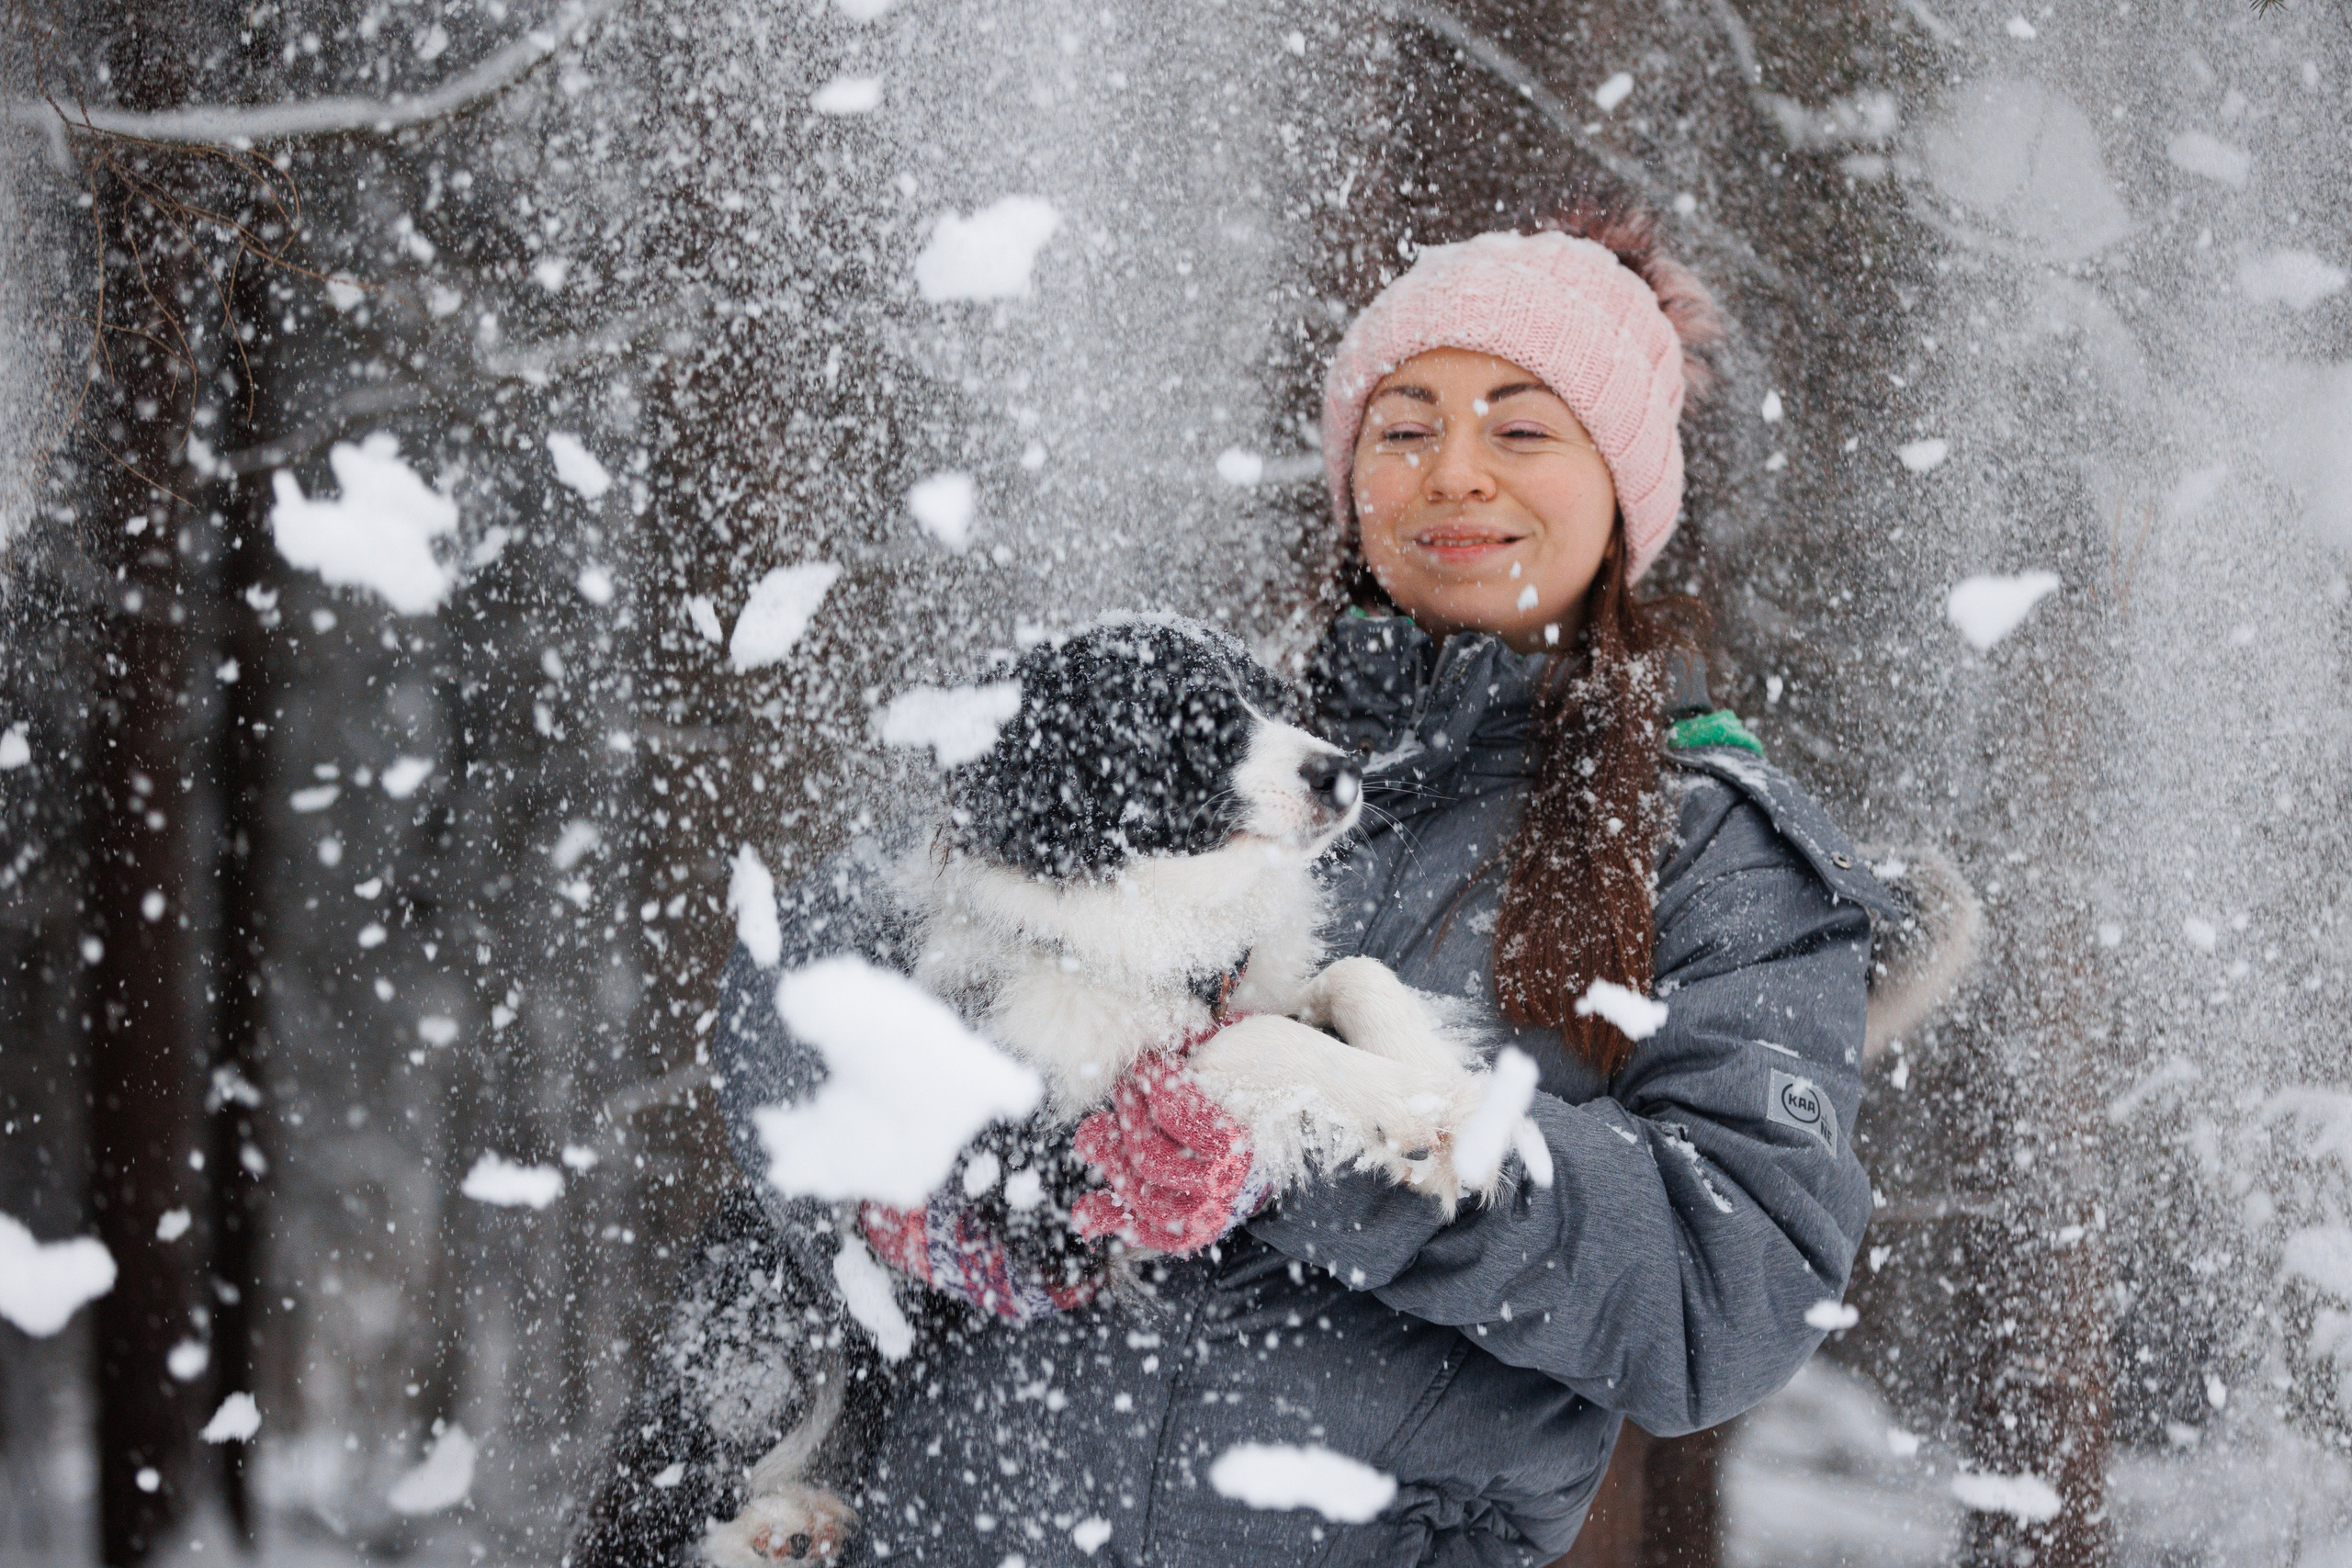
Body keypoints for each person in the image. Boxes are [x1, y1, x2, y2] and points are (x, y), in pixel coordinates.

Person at [593, 195, 1921, 1567]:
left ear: (1626, 488)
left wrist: (1305, 1143)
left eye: (1522, 428)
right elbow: (799, 977)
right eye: (1405, 429)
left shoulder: (1709, 843)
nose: (1456, 472)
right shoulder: (1201, 732)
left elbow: (1732, 1289)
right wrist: (936, 1166)